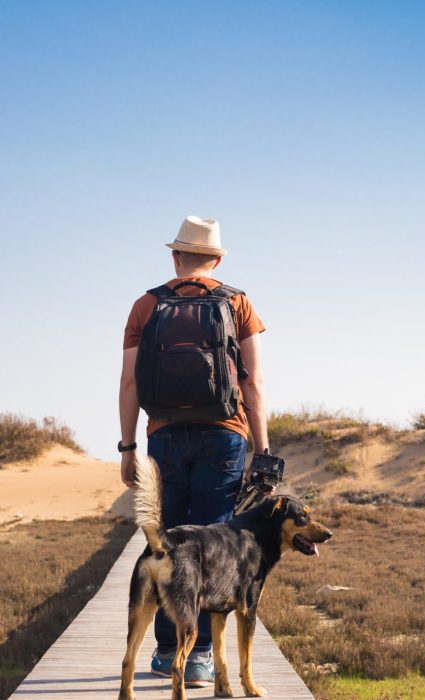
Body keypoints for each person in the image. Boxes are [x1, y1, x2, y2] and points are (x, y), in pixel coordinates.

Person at [118, 215, 269, 687]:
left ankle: (167, 652)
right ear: (218, 259)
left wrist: (127, 447)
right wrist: (261, 450)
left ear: (175, 255)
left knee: (165, 542)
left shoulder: (147, 305)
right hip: (224, 434)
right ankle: (200, 654)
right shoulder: (238, 302)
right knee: (213, 548)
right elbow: (253, 383)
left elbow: (129, 384)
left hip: (163, 433)